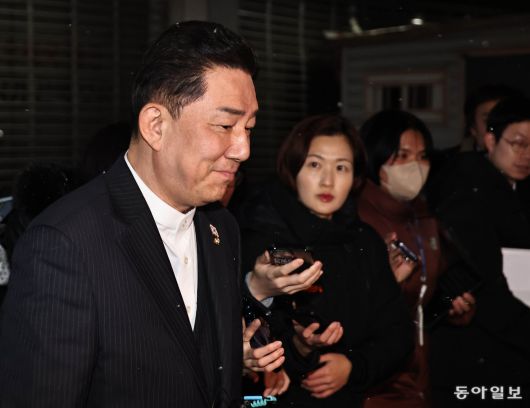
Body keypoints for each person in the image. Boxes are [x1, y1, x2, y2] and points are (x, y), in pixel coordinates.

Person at [0, 21, 261, 408]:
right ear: (156, 126)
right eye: (225, 125)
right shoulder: (65, 244)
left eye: (249, 128)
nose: (243, 149)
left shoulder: (221, 227)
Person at [238, 114, 414, 407]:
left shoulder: (364, 241)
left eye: (341, 167)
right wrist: (300, 347)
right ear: (293, 168)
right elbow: (242, 341)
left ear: (355, 177)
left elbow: (399, 334)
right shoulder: (260, 240)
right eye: (315, 165)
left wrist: (353, 367)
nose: (328, 181)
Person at [357, 110, 475, 408]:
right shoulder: (359, 220)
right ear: (375, 157)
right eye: (402, 155)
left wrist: (450, 306)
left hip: (417, 374)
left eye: (422, 156)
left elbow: (425, 291)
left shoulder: (422, 215)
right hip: (376, 380)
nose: (415, 166)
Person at [428, 96, 530, 407]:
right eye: (518, 143)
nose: (527, 154)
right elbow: (484, 284)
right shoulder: (467, 188)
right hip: (477, 352)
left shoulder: (512, 187)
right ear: (489, 139)